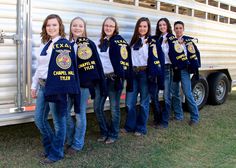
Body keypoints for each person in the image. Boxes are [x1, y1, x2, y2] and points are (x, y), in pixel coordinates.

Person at [31, 14, 80, 164]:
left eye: (54, 25)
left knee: (59, 122)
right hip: (43, 85)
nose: (51, 28)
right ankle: (51, 146)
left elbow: (67, 68)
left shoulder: (64, 44)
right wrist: (34, 85)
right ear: (45, 28)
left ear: (60, 27)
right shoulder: (44, 43)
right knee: (39, 119)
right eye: (48, 25)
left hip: (57, 87)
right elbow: (40, 67)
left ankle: (56, 152)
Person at [66, 16, 105, 154]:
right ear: (71, 27)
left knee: (79, 113)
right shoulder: (66, 45)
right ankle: (70, 140)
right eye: (74, 25)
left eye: (80, 26)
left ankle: (77, 144)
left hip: (83, 86)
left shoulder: (89, 44)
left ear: (84, 29)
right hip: (68, 85)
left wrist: (98, 84)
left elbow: (97, 65)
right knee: (64, 113)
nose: (77, 28)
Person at [121, 17, 164, 135]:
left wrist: (157, 75)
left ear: (148, 28)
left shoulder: (152, 42)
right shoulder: (133, 42)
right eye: (140, 26)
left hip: (145, 74)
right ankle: (130, 126)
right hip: (133, 74)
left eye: (145, 26)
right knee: (130, 103)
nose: (142, 28)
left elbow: (159, 58)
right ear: (137, 28)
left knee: (144, 102)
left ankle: (141, 128)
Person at [94, 16, 133, 144]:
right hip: (101, 80)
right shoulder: (101, 41)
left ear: (115, 28)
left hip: (113, 79)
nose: (108, 28)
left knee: (114, 109)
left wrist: (122, 77)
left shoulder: (119, 41)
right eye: (106, 25)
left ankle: (114, 134)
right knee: (97, 108)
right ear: (103, 27)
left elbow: (126, 61)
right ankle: (104, 131)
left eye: (111, 26)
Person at [155, 18, 189, 128]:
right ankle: (168, 116)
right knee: (162, 93)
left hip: (168, 68)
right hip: (159, 68)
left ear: (167, 26)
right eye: (160, 25)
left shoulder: (172, 38)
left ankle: (164, 121)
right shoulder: (158, 38)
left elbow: (179, 51)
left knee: (167, 95)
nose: (162, 27)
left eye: (164, 25)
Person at [172, 21, 200, 126]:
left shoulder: (188, 41)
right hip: (174, 70)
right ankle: (178, 115)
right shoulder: (172, 41)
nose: (178, 30)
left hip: (184, 70)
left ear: (183, 29)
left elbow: (194, 54)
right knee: (175, 93)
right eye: (176, 28)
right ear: (174, 30)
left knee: (187, 93)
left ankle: (195, 117)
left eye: (180, 28)